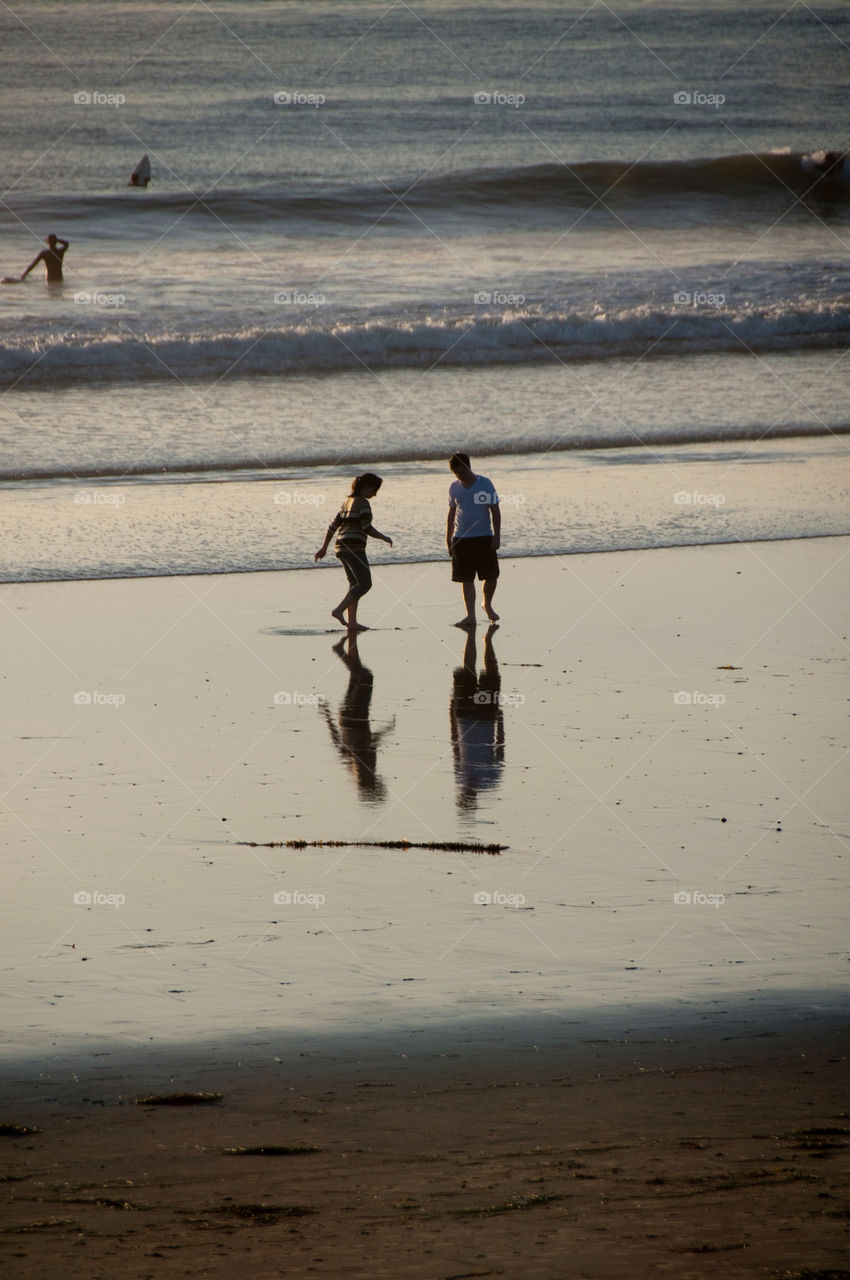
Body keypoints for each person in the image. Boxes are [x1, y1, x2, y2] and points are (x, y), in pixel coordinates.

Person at [314, 473, 393, 631]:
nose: (375, 494)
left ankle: (352, 622)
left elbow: (332, 527)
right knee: (365, 583)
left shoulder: (346, 502)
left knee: (354, 584)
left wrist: (324, 547)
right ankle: (339, 610)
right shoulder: (363, 503)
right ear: (366, 487)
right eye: (374, 489)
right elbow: (366, 527)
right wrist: (383, 537)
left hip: (340, 546)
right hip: (354, 547)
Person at [446, 451, 500, 627]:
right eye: (455, 473)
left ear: (468, 466)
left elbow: (495, 511)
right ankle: (471, 615)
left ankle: (487, 604)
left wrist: (497, 536)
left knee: (491, 576)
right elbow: (451, 514)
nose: (459, 476)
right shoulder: (454, 487)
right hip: (461, 538)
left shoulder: (484, 484)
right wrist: (448, 539)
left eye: (461, 472)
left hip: (484, 536)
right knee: (466, 579)